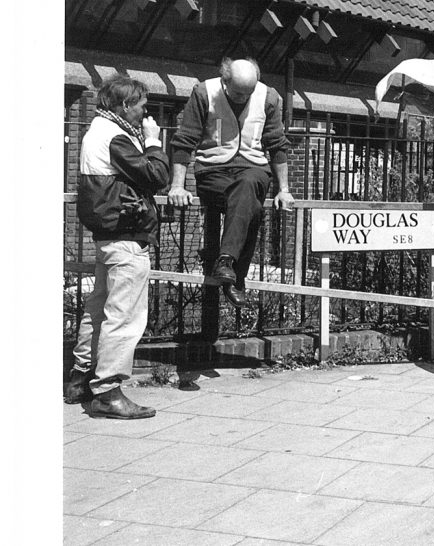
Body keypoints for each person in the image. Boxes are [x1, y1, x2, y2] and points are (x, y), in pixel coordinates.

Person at [68, 76, 170, 419]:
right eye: (141, 105)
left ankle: (80, 379)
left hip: (107, 236)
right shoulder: (116, 136)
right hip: (126, 238)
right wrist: (154, 143)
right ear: (125, 105)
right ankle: (108, 391)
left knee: (97, 310)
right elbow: (156, 176)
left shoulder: (97, 129)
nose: (145, 112)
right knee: (123, 316)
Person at [168, 58, 293, 307]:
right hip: (213, 171)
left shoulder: (269, 97)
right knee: (252, 207)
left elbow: (277, 145)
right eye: (237, 93)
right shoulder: (204, 93)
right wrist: (177, 185)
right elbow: (185, 141)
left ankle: (225, 261)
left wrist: (284, 190)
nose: (242, 98)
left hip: (253, 169)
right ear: (225, 81)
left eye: (248, 93)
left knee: (248, 184)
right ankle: (238, 277)